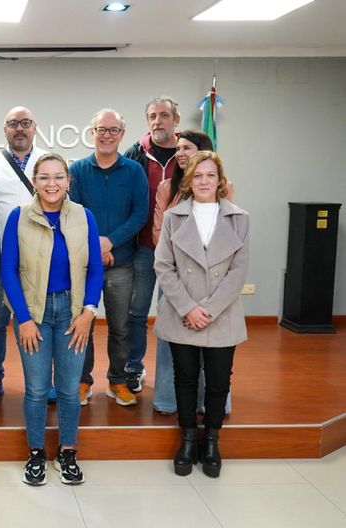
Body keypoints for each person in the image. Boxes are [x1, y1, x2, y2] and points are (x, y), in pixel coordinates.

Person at [1, 153, 103, 486]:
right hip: (34, 314)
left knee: (71, 390)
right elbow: (8, 271)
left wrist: (89, 311)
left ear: (68, 181)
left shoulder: (85, 217)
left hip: (74, 315)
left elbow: (95, 269)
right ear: (34, 181)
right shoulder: (18, 217)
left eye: (58, 177)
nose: (52, 184)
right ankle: (35, 454)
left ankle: (67, 452)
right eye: (44, 177)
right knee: (36, 389)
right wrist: (24, 318)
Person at [154, 150, 249, 479]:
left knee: (219, 383)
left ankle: (212, 441)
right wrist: (188, 308)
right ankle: (188, 440)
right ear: (189, 182)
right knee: (186, 380)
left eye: (210, 175)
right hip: (183, 314)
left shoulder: (240, 218)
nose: (204, 181)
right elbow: (163, 267)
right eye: (198, 176)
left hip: (221, 315)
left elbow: (238, 272)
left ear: (220, 180)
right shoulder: (173, 218)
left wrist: (207, 309)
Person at [152, 130, 235, 416]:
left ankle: (211, 407)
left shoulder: (229, 198)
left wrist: (207, 306)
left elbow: (229, 248)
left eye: (187, 147)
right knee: (176, 353)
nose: (180, 153)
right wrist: (187, 304)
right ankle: (167, 400)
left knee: (215, 357)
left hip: (215, 287)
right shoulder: (167, 187)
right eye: (177, 149)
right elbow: (158, 235)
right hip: (177, 281)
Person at [69, 109, 148, 407]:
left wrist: (111, 242)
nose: (107, 135)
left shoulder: (133, 171)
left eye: (113, 130)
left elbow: (140, 213)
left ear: (122, 135)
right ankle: (82, 380)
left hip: (122, 263)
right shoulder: (77, 170)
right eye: (101, 129)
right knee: (82, 324)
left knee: (120, 326)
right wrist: (95, 248)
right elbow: (72, 214)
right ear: (92, 132)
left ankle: (117, 381)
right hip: (84, 264)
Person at [0, 105, 48, 403]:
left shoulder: (48, 160)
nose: (20, 128)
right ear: (4, 129)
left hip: (39, 259)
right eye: (13, 124)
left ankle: (42, 382)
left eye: (26, 123)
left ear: (34, 127)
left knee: (38, 321)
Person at [123, 96, 180, 393]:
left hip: (181, 253)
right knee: (137, 311)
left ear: (176, 120)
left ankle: (173, 378)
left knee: (172, 313)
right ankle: (134, 367)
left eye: (164, 115)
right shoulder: (136, 153)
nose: (158, 121)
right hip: (144, 247)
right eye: (152, 116)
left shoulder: (190, 152)